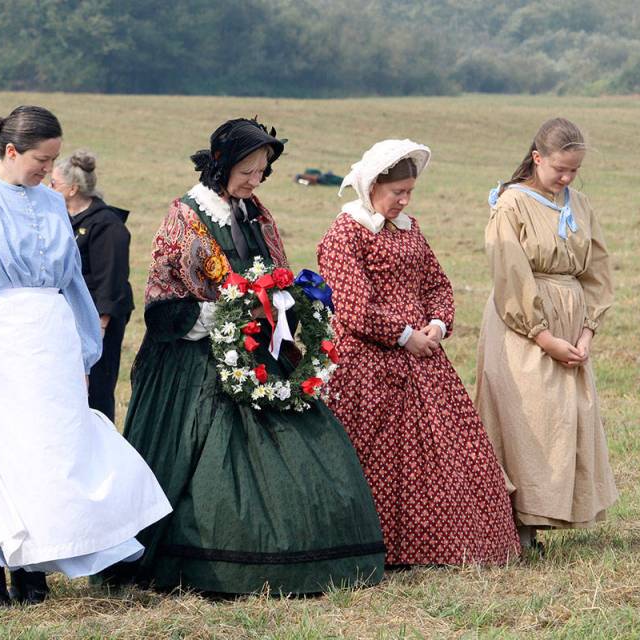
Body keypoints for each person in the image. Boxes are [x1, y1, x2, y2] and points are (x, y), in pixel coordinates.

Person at [107, 118, 385, 595]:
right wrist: (229, 311)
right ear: (221, 163)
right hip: (196, 361)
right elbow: (164, 301)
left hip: (259, 347)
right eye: (249, 170)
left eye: (262, 172)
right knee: (204, 458)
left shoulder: (255, 213)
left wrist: (288, 301)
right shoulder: (185, 214)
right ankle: (200, 559)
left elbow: (274, 272)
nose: (255, 181)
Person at [0, 105, 171, 608]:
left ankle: (33, 566)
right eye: (42, 159)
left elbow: (72, 284)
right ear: (12, 151)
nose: (49, 170)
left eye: (55, 159)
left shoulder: (49, 203)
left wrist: (85, 350)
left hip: (50, 343)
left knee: (46, 456)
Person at [316, 140, 520, 566]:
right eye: (397, 192)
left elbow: (437, 284)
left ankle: (448, 545)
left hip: (424, 357)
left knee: (443, 453)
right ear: (372, 186)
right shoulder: (345, 233)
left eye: (410, 191)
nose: (405, 199)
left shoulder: (410, 228)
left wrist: (437, 323)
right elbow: (353, 304)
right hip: (366, 362)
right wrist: (403, 334)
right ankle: (376, 545)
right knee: (377, 454)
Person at [476, 118, 617, 551]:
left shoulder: (580, 203)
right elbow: (510, 275)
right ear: (537, 158)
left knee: (563, 421)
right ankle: (515, 527)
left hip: (571, 324)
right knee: (528, 420)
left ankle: (552, 514)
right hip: (523, 326)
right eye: (560, 168)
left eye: (574, 170)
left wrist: (588, 328)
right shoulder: (511, 205)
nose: (567, 177)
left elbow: (597, 268)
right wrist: (541, 335)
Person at [50, 151, 133, 421]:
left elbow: (111, 279)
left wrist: (98, 327)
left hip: (96, 322)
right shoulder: (60, 219)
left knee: (95, 389)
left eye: (54, 184)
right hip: (65, 318)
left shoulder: (107, 225)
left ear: (72, 189)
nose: (48, 188)